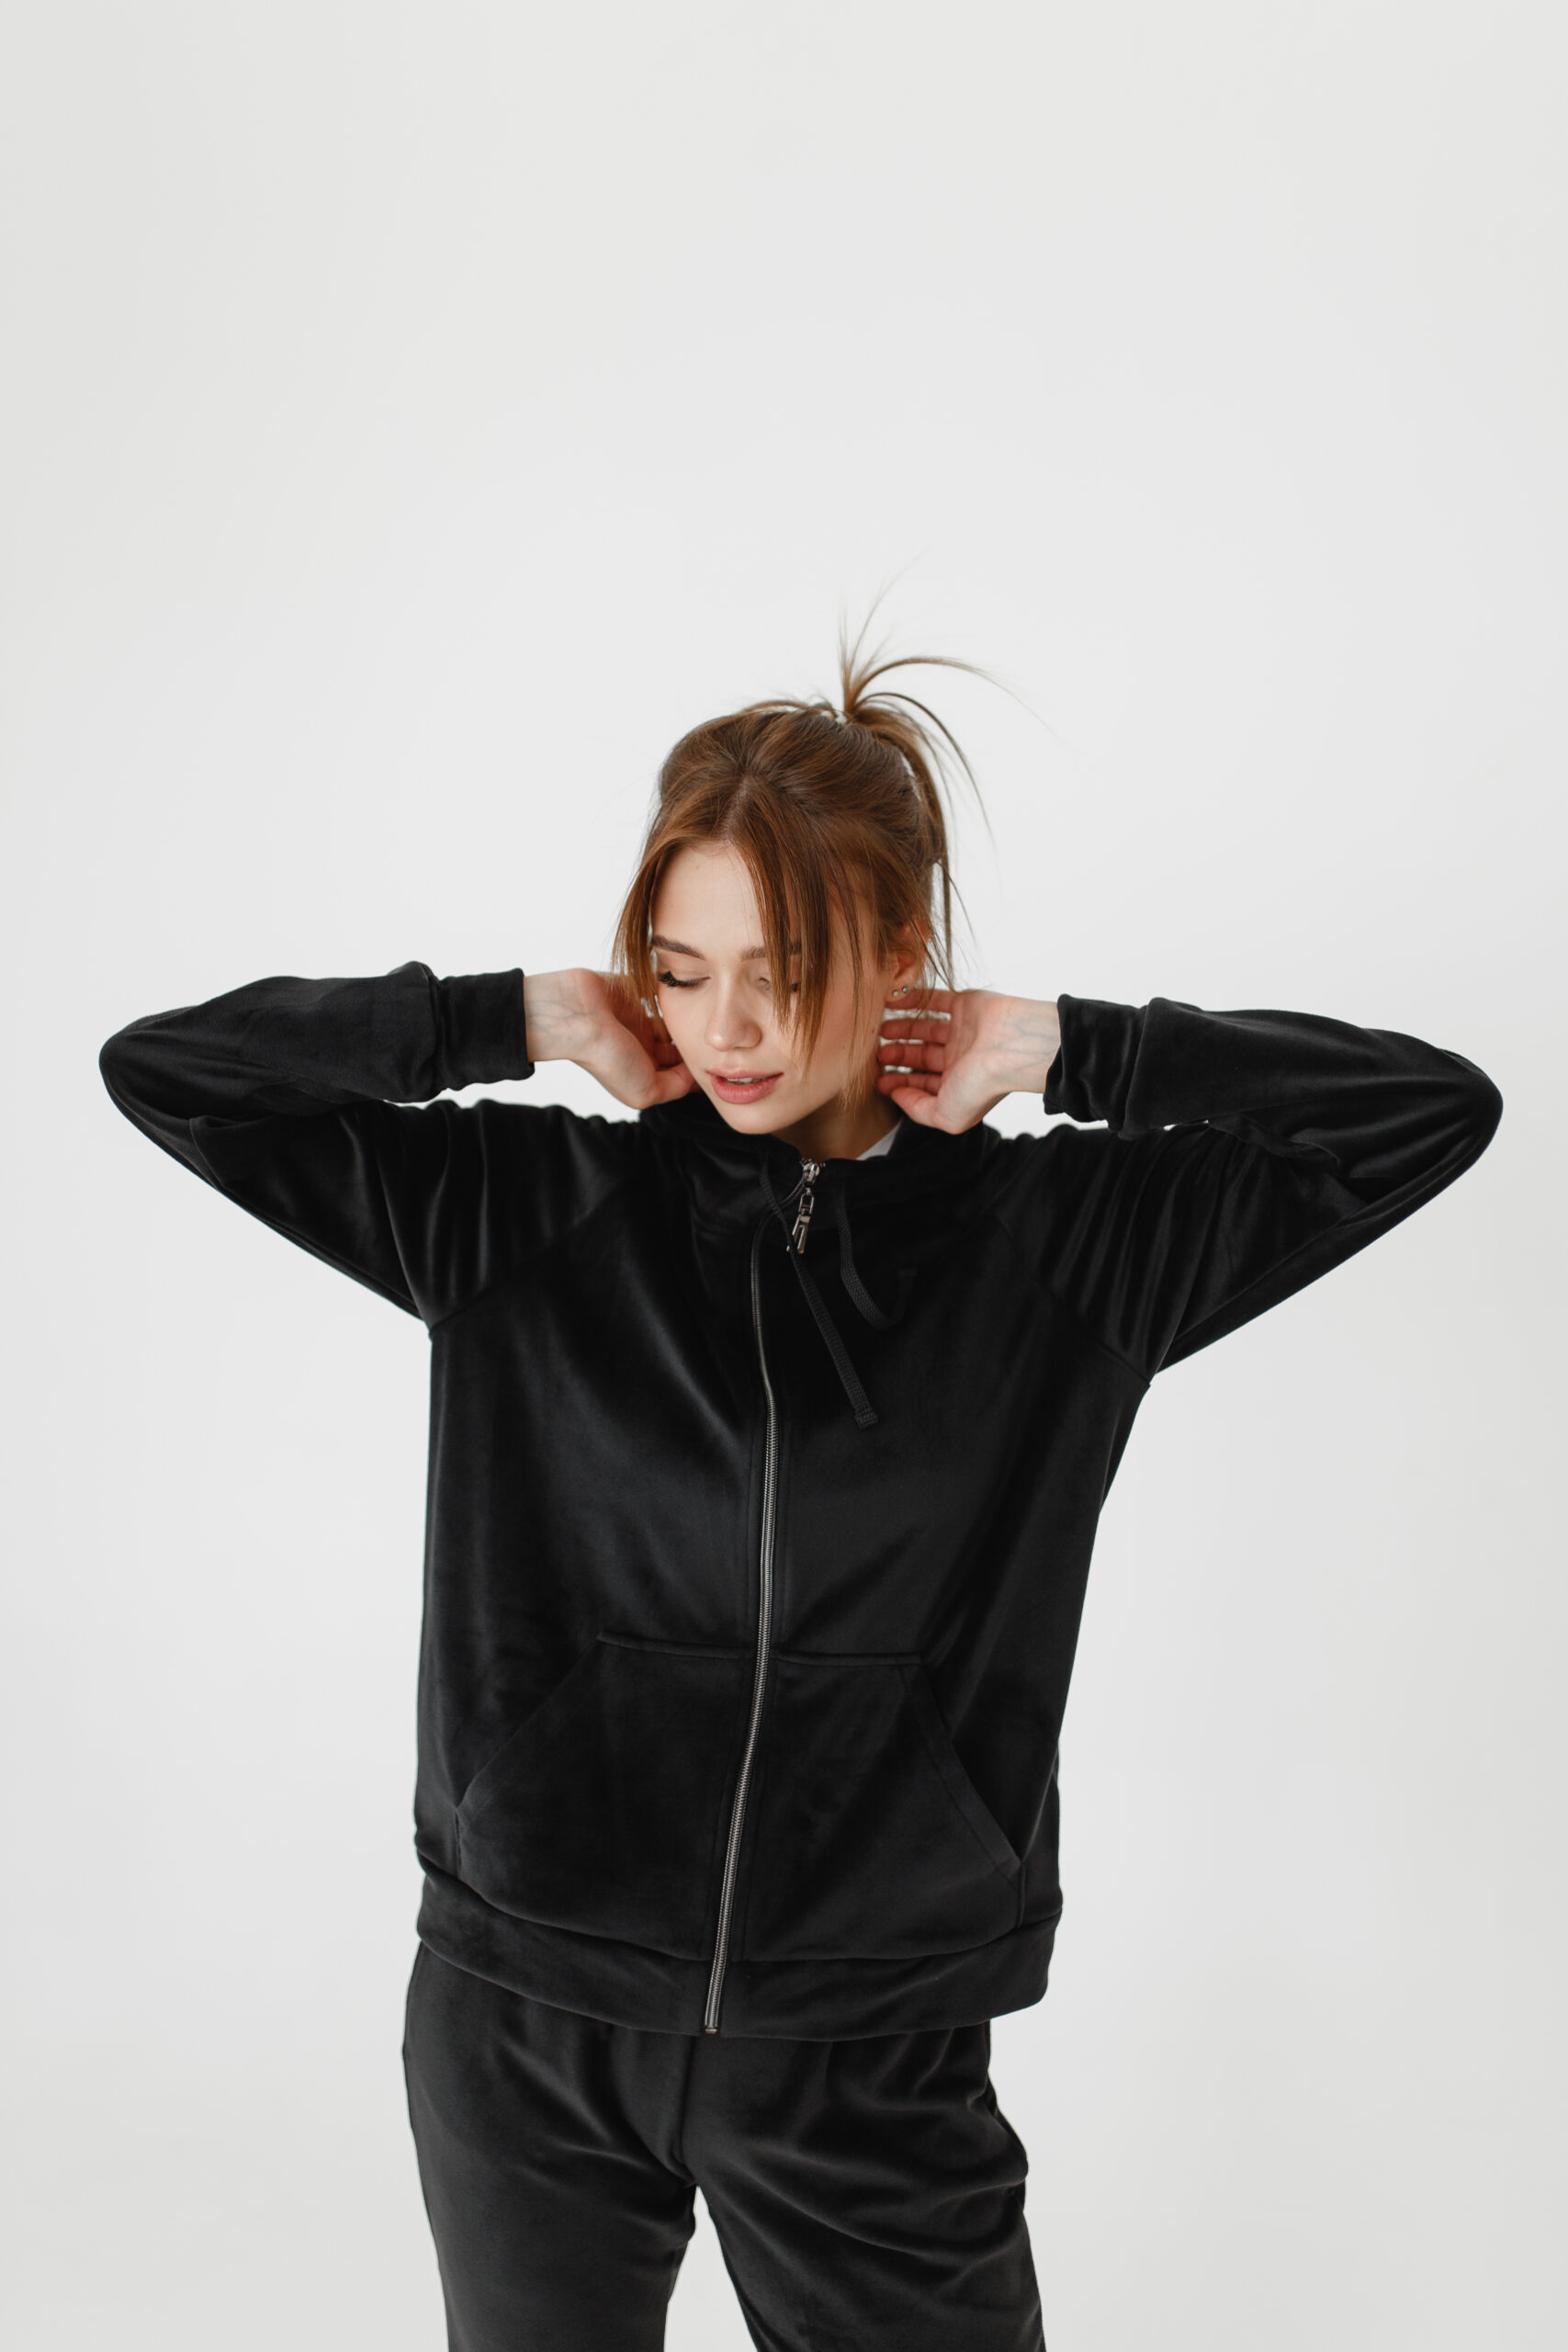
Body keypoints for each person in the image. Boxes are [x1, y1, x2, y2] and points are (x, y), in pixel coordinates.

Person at [99, 639, 1502, 2352]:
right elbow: (170, 1073)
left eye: (787, 969)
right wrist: (514, 1019)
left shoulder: (1067, 1251)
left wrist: (1068, 1050)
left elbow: (1426, 1115)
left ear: (905, 951)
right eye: (682, 971)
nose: (731, 1030)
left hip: (869, 2057)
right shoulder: (526, 1212)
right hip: (526, 2019)